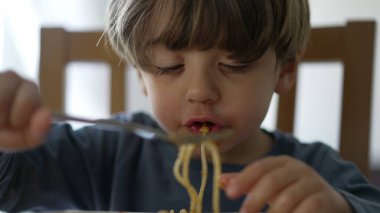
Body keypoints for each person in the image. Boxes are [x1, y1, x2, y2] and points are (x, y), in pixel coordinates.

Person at [0, 0, 379, 212]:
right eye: (170, 67)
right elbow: (11, 186)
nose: (200, 92)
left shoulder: (314, 172)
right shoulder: (108, 155)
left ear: (285, 72)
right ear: (140, 76)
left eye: (234, 65)